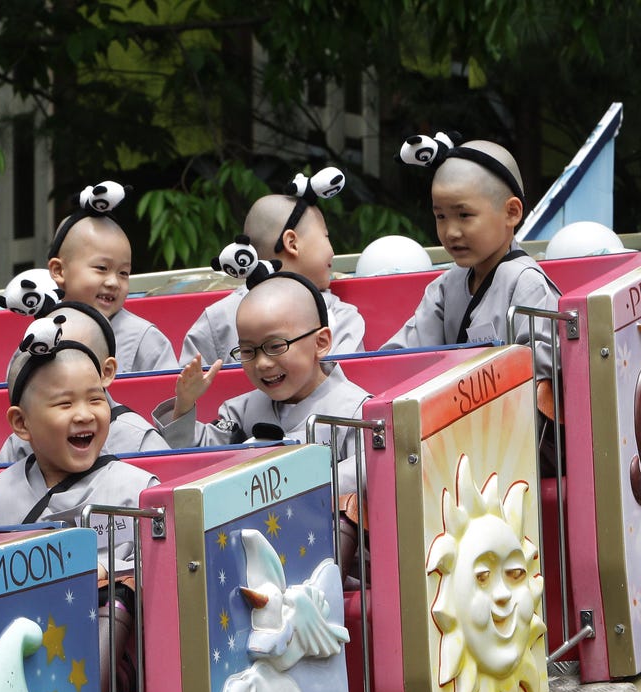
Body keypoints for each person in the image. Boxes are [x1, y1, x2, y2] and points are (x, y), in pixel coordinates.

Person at [0, 322, 158, 692]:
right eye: (65, 404)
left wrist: (104, 572)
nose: (84, 415)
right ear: (21, 423)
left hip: (111, 664)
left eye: (96, 399)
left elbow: (165, 573)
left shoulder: (139, 489)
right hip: (10, 657)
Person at [154, 272, 370, 485]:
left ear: (321, 343)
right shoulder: (241, 411)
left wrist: (298, 486)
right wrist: (184, 406)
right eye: (248, 351)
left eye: (275, 346)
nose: (262, 363)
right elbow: (199, 460)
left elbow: (366, 473)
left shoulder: (356, 413)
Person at [381, 133, 560, 380]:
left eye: (464, 215)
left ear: (511, 212)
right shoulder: (447, 285)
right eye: (441, 217)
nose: (451, 232)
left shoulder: (527, 283)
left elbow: (542, 372)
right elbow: (404, 356)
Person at [180, 168, 366, 365]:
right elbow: (349, 377)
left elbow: (186, 380)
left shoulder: (217, 317)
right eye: (326, 236)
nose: (332, 251)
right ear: (292, 243)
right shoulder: (337, 316)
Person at [0, 301, 169, 461]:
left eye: (79, 354)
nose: (66, 362)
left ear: (107, 372)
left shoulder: (138, 440)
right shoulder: (22, 439)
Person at [47, 181, 178, 373]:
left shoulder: (145, 340)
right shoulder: (42, 333)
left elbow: (168, 390)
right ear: (59, 270)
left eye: (123, 273)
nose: (113, 282)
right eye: (102, 268)